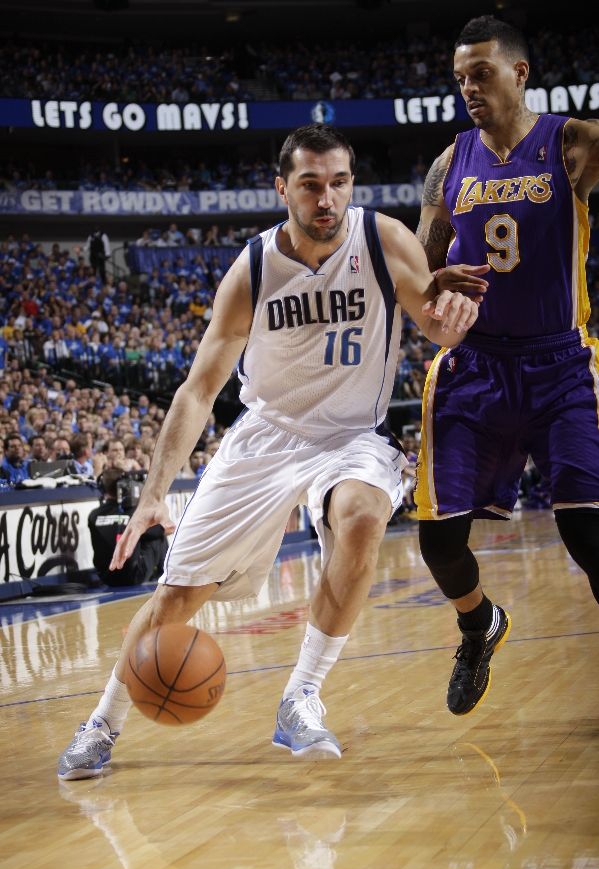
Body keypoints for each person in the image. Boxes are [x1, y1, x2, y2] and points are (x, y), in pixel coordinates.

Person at [57, 123, 480, 780]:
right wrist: (150, 497)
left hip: (349, 438)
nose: (326, 199)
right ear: (282, 188)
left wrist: (449, 322)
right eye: (310, 184)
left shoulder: (381, 239)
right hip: (264, 439)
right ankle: (102, 720)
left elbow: (430, 322)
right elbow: (199, 390)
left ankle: (300, 697)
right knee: (177, 598)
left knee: (364, 516)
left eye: (339, 182)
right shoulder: (254, 266)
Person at [414, 15, 599, 717]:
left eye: (480, 74)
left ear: (519, 73)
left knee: (587, 532)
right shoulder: (448, 162)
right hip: (473, 368)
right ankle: (477, 624)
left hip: (559, 365)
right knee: (438, 540)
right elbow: (417, 267)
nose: (467, 87)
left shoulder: (570, 143)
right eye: (460, 77)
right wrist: (433, 287)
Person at [88, 467, 168, 588]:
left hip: (105, 577)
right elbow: (164, 529)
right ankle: (167, 577)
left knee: (140, 535)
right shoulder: (135, 514)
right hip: (134, 576)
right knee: (157, 537)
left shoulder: (93, 515)